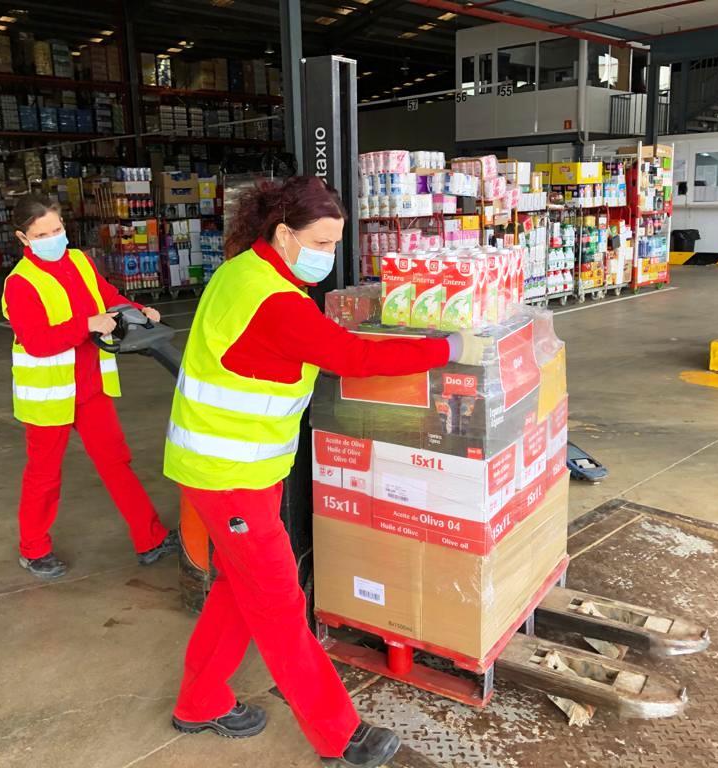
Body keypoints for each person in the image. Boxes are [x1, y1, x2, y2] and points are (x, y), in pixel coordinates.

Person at [163, 176, 484, 767]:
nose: (327, 256)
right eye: (320, 242)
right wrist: (447, 347)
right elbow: (355, 357)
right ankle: (340, 735)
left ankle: (200, 700)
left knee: (240, 590)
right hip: (227, 474)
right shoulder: (278, 303)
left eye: (336, 244)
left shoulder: (244, 272)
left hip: (235, 470)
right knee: (281, 603)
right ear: (283, 234)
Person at [2, 194, 178, 580]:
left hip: (90, 388)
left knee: (116, 463)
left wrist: (137, 309)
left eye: (57, 229)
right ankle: (34, 550)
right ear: (24, 238)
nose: (53, 237)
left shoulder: (80, 261)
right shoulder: (20, 284)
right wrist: (87, 325)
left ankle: (150, 538)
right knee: (44, 475)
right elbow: (37, 341)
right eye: (42, 233)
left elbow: (107, 298)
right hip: (49, 397)